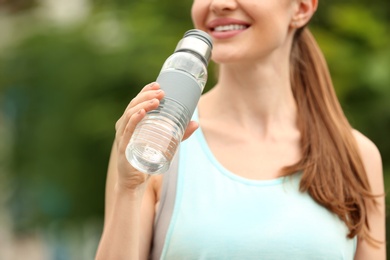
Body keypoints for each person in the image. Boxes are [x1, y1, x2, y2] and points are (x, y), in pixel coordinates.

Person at [95, 0, 386, 259]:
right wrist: (129, 189)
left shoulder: (356, 155)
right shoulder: (157, 140)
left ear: (302, 7)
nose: (219, 4)